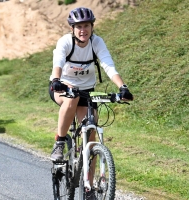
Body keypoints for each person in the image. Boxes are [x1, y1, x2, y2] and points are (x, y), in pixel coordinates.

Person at [48, 7, 133, 199]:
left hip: (86, 91)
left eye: (86, 26)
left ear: (91, 26)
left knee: (91, 133)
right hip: (63, 87)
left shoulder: (96, 42)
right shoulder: (65, 42)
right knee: (72, 99)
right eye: (78, 26)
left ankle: (89, 187)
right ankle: (60, 143)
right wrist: (56, 80)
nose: (82, 30)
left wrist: (123, 88)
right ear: (73, 28)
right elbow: (58, 63)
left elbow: (108, 65)